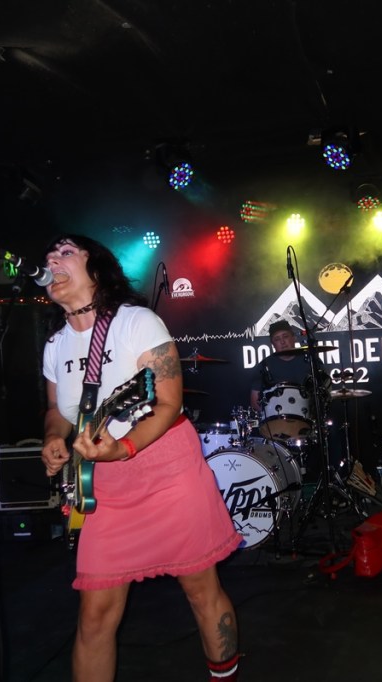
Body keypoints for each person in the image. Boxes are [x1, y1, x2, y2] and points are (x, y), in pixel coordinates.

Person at [38, 234, 241, 682]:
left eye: (66, 252)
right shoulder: (55, 346)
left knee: (201, 590)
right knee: (94, 615)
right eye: (49, 256)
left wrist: (123, 447)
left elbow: (168, 403)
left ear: (96, 268)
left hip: (168, 471)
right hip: (106, 488)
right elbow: (57, 410)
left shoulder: (137, 322)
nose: (52, 260)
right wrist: (53, 438)